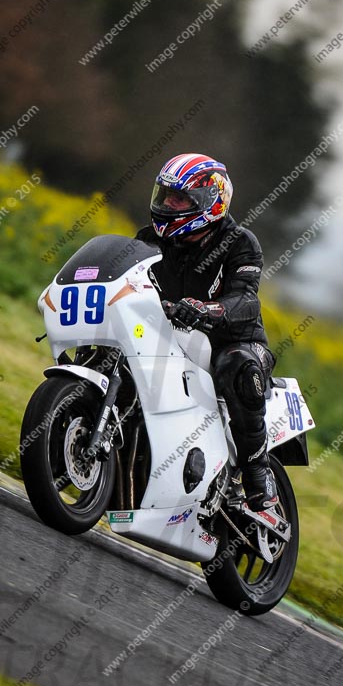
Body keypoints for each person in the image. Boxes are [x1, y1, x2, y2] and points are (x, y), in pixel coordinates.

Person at [136, 152, 279, 528]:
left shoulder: (239, 243)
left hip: (236, 342)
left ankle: (257, 476)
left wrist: (208, 309)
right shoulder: (149, 239)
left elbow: (247, 298)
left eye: (179, 199)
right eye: (165, 196)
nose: (168, 204)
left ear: (209, 200)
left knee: (238, 366)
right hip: (173, 337)